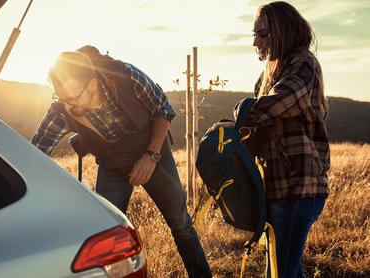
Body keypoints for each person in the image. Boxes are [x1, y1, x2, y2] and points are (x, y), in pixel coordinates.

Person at [31, 46, 212, 277]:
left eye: (74, 97)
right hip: (113, 166)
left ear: (93, 84)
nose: (69, 106)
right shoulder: (62, 110)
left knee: (181, 226)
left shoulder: (127, 76)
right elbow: (36, 151)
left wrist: (151, 155)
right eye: (62, 98)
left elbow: (164, 110)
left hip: (155, 154)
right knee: (103, 233)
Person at [210, 2, 330, 277]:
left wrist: (239, 115)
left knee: (281, 271)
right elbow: (256, 131)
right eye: (255, 34)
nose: (255, 41)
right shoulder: (268, 73)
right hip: (275, 188)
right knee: (281, 268)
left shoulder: (303, 63)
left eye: (262, 34)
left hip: (299, 186)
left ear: (283, 32)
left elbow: (276, 104)